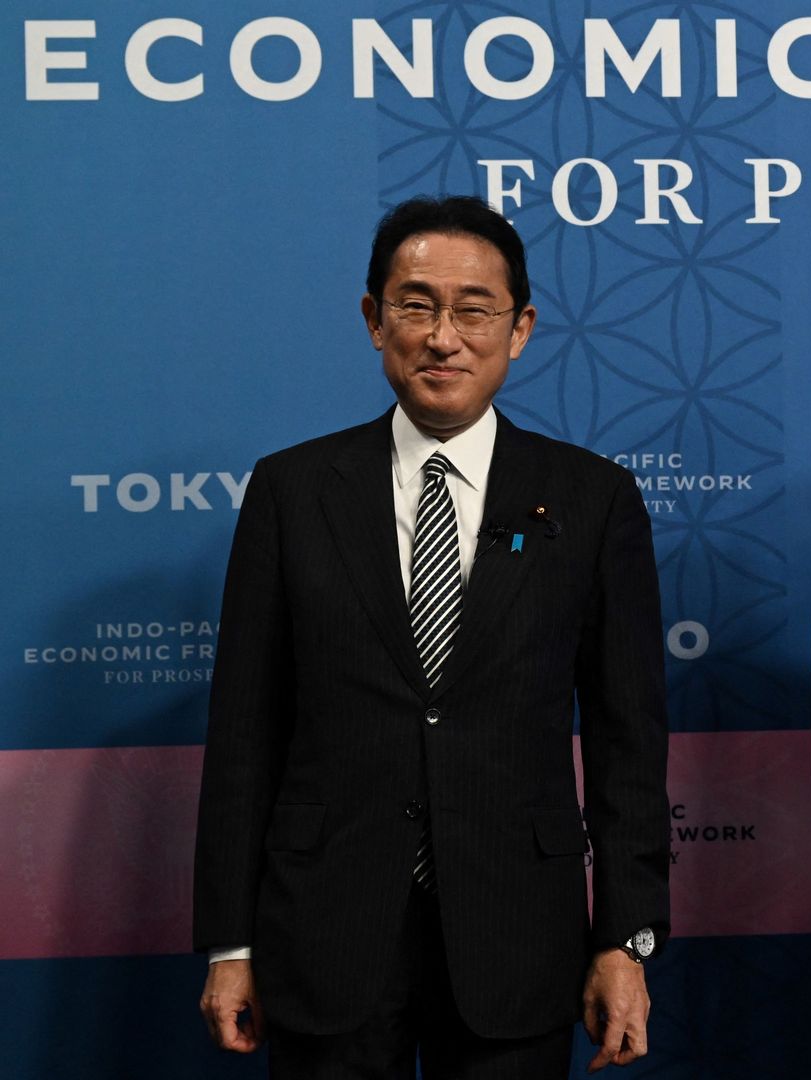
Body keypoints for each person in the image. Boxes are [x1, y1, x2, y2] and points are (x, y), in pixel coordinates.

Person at [192, 195, 670, 1078]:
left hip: (519, 936)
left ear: (520, 328)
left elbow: (627, 744)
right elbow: (244, 735)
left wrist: (628, 942)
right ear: (374, 321)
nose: (443, 336)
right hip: (327, 931)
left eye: (474, 309)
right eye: (415, 306)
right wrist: (228, 942)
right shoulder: (294, 493)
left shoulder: (592, 500)